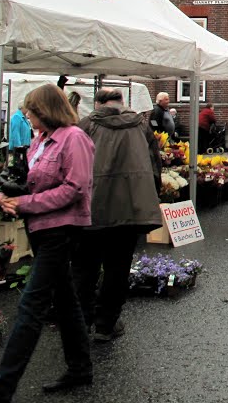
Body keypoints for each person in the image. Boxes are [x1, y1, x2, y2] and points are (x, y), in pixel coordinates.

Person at [0, 84, 95, 403]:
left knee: (30, 306)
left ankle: (1, 389)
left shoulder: (74, 138)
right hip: (40, 228)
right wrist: (5, 197)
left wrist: (26, 203)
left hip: (62, 230)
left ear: (46, 110)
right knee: (65, 300)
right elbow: (24, 179)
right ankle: (80, 368)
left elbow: (76, 188)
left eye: (31, 110)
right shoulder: (40, 141)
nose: (27, 115)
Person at [72, 88, 162, 344]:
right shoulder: (140, 126)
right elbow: (155, 164)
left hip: (90, 209)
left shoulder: (86, 125)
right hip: (129, 209)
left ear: (99, 104)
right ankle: (106, 324)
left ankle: (81, 322)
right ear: (122, 103)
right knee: (117, 268)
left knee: (84, 269)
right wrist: (150, 197)